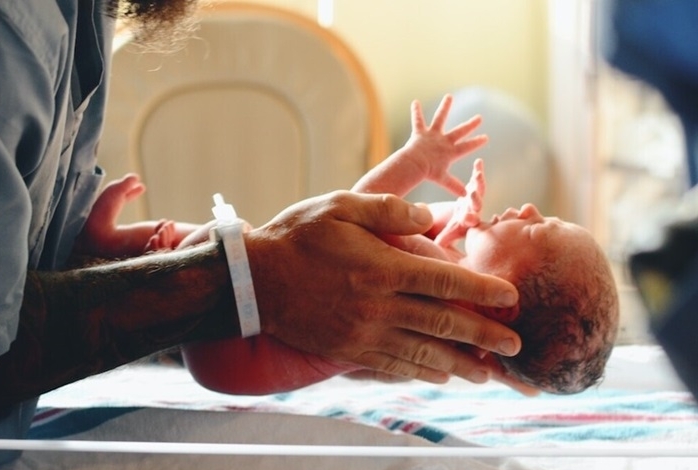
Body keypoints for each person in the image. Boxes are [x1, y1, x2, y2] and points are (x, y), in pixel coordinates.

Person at [0, 2, 523, 470]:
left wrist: (95, 262)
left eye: (540, 231)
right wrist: (242, 275)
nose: (524, 211)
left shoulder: (72, 20)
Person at [176, 99, 620, 396]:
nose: (528, 208)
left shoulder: (437, 285)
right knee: (208, 241)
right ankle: (131, 242)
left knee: (210, 239)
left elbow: (353, 219)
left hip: (237, 341)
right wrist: (456, 224)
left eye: (535, 230)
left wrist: (417, 161)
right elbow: (522, 377)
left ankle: (135, 244)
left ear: (503, 302)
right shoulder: (462, 334)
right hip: (234, 361)